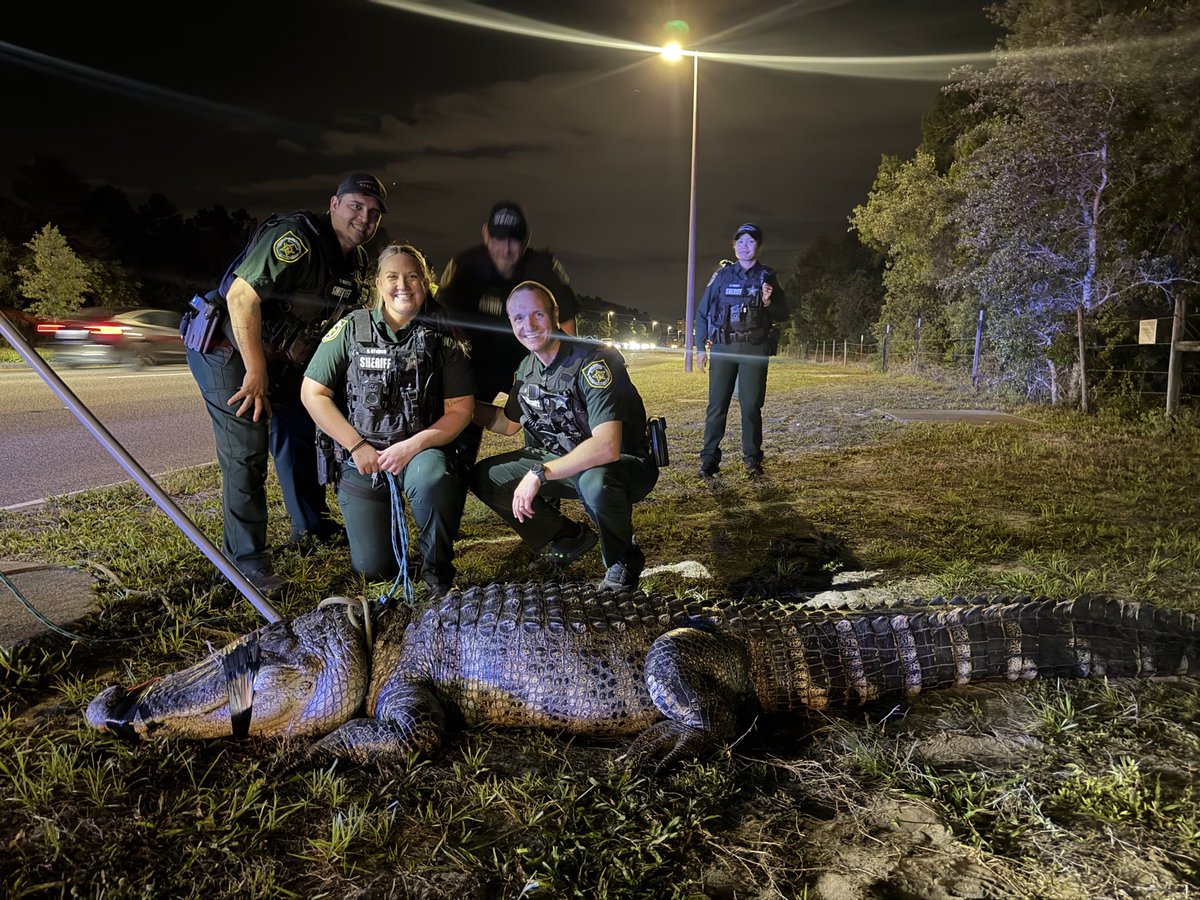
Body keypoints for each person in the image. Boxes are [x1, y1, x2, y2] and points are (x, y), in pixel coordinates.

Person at [184, 173, 387, 596]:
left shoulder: (354, 261)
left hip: (279, 358)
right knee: (247, 449)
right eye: (355, 206)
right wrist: (255, 372)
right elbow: (241, 297)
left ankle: (311, 526)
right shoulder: (297, 238)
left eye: (373, 213)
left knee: (302, 428)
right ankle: (245, 562)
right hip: (229, 348)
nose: (363, 218)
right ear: (334, 204)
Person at [300, 243, 474, 597]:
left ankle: (437, 570)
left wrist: (413, 446)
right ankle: (388, 538)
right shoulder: (351, 328)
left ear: (426, 283)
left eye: (413, 277)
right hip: (363, 458)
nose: (403, 286)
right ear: (378, 283)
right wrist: (356, 446)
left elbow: (460, 409)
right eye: (392, 277)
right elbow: (312, 393)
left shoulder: (443, 337)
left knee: (433, 478)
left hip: (419, 451)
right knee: (373, 568)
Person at [472, 281, 658, 593]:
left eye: (537, 315)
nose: (529, 325)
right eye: (519, 318)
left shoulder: (594, 361)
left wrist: (540, 473)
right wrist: (461, 406)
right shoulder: (527, 368)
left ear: (554, 314)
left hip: (623, 464)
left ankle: (623, 559)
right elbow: (508, 424)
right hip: (567, 461)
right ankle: (566, 538)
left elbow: (607, 446)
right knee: (486, 477)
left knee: (594, 481)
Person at [436, 201, 580, 483]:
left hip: (529, 364)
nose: (505, 249)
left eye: (514, 241)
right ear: (485, 235)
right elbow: (443, 322)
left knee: (546, 435)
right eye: (498, 240)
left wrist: (557, 377)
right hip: (475, 362)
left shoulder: (544, 267)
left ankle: (544, 496)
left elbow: (567, 327)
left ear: (526, 240)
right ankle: (454, 489)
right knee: (459, 439)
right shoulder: (465, 266)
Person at [694, 223, 789, 480]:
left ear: (758, 246)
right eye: (740, 241)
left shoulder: (767, 276)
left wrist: (768, 302)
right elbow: (702, 312)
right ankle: (709, 460)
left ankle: (752, 459)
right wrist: (700, 348)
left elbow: (783, 313)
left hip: (753, 348)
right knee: (717, 406)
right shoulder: (722, 276)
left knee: (751, 406)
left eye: (750, 241)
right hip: (723, 347)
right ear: (734, 246)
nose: (744, 246)